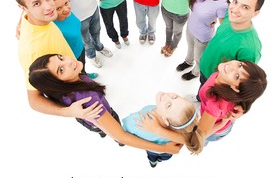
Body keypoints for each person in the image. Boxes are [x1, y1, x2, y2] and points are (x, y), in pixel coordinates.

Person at [28, 53, 182, 154]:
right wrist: (163, 148)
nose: (69, 62)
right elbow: (122, 136)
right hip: (97, 119)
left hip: (87, 120)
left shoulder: (65, 88)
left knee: (102, 129)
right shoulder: (90, 101)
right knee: (113, 132)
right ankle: (105, 134)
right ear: (56, 84)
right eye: (61, 70)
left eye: (61, 58)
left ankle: (102, 132)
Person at [11, 0, 98, 121]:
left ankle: (85, 76)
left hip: (73, 58)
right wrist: (69, 111)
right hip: (70, 87)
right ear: (23, 7)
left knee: (83, 71)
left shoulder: (32, 14)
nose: (49, 7)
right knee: (95, 118)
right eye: (37, 3)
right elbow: (33, 99)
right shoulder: (32, 50)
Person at [137, 60, 267, 149]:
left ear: (235, 88)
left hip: (215, 129)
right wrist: (244, 109)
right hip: (216, 116)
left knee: (203, 141)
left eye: (237, 76)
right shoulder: (224, 75)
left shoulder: (214, 104)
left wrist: (157, 130)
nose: (232, 67)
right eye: (240, 64)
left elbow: (195, 141)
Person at [197, 0, 265, 101]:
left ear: (255, 13)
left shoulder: (250, 47)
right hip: (205, 70)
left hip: (218, 84)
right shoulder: (230, 16)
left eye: (245, 7)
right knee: (201, 92)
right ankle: (199, 97)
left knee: (207, 102)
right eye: (235, 1)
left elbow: (245, 84)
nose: (235, 9)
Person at [176, 0, 229, 80]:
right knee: (189, 49)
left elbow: (224, 27)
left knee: (199, 58)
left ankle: (195, 72)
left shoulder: (222, 3)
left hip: (202, 38)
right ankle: (188, 62)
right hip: (190, 28)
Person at [122, 91, 203, 167]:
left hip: (153, 150)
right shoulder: (181, 128)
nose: (166, 96)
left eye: (169, 105)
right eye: (175, 97)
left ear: (166, 120)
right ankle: (158, 160)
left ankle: (153, 162)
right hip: (167, 153)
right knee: (165, 156)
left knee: (152, 156)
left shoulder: (139, 120)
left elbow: (123, 130)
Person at [49, 0, 98, 79]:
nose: (66, 9)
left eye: (66, 3)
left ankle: (85, 75)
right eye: (59, 8)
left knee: (83, 66)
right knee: (76, 74)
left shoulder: (68, 13)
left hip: (80, 47)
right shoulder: (54, 28)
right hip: (71, 57)